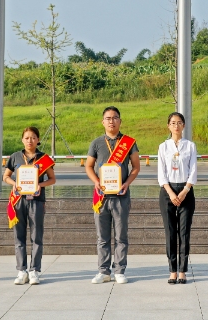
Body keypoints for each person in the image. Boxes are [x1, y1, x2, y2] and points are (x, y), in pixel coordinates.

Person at [85, 106, 140, 284]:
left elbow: (136, 167)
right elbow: (88, 166)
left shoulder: (128, 142)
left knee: (121, 236)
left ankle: (119, 270)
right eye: (108, 118)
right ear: (103, 122)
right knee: (102, 237)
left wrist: (127, 183)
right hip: (101, 197)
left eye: (115, 118)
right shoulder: (96, 143)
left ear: (120, 121)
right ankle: (103, 271)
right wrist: (96, 181)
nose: (111, 121)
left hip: (121, 195)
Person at [3, 126, 57, 285]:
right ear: (22, 140)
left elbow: (52, 179)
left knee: (36, 236)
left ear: (38, 140)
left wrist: (41, 185)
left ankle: (34, 270)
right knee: (19, 236)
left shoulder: (44, 158)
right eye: (26, 138)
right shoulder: (15, 157)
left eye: (33, 138)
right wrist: (14, 183)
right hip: (18, 200)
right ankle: (21, 270)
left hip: (37, 200)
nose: (30, 141)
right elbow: (6, 176)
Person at [157, 112, 198, 285]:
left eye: (179, 122)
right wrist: (171, 193)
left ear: (184, 125)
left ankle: (182, 271)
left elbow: (193, 171)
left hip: (186, 191)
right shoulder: (163, 147)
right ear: (168, 126)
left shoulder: (190, 146)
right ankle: (172, 270)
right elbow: (161, 173)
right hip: (167, 191)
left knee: (184, 232)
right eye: (173, 123)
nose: (176, 126)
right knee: (170, 232)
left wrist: (184, 191)